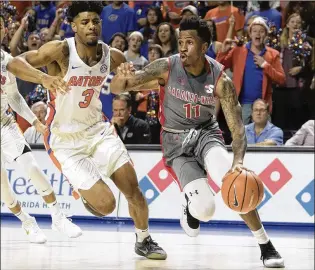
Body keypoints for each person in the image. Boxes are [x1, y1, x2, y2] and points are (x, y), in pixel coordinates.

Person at [111, 16, 284, 268]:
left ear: (204, 47)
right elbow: (120, 87)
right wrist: (121, 76)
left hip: (206, 135)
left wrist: (237, 162)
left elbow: (237, 131)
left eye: (189, 42)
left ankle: (265, 244)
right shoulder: (166, 67)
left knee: (234, 180)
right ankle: (192, 205)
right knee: (206, 211)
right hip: (176, 142)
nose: (182, 47)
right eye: (180, 41)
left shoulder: (220, 80)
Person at [11, 1, 166, 260]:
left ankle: (144, 239)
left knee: (133, 190)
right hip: (64, 139)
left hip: (97, 129)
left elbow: (126, 85)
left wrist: (157, 83)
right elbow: (15, 63)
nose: (91, 26)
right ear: (73, 27)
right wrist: (44, 78)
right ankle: (85, 190)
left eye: (95, 21)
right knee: (106, 205)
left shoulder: (112, 55)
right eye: (84, 22)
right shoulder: (61, 50)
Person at [0, 14, 82, 243]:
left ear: (4, 31)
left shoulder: (7, 62)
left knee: (32, 168)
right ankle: (27, 221)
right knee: (3, 189)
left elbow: (14, 97)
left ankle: (57, 215)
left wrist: (34, 121)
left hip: (4, 125)